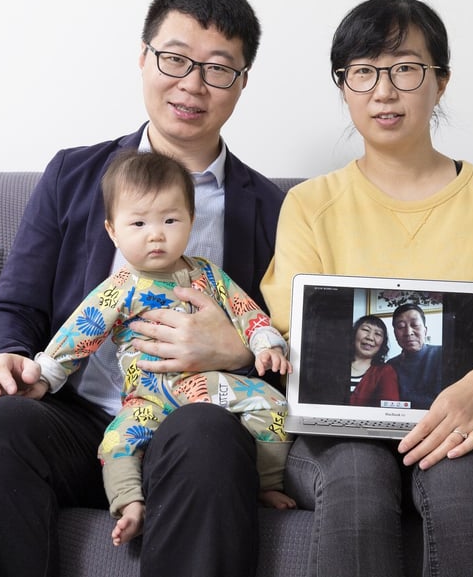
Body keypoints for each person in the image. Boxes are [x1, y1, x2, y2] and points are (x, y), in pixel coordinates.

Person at [0, 0, 285, 577]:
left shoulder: (273, 208)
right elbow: (16, 304)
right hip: (75, 417)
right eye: (175, 58)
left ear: (242, 82)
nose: (192, 84)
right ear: (144, 57)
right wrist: (5, 359)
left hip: (197, 418)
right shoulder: (73, 175)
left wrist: (238, 352)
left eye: (217, 69)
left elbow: (293, 340)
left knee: (207, 435)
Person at [260, 0, 473, 576]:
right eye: (363, 72)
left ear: (441, 82)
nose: (384, 91)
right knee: (358, 472)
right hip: (339, 437)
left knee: (462, 476)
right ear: (344, 86)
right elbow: (293, 335)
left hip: (470, 428)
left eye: (405, 69)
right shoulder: (308, 205)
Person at [33, 149, 294, 546]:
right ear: (112, 231)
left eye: (170, 220)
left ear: (191, 219)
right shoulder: (120, 288)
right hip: (148, 398)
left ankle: (266, 483)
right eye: (138, 223)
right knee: (116, 441)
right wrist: (47, 373)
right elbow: (78, 335)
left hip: (207, 389)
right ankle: (128, 503)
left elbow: (246, 311)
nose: (155, 234)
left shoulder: (208, 274)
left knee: (273, 405)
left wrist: (264, 343)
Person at [387, 303, 442, 408]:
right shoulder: (390, 366)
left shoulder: (442, 354)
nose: (408, 332)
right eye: (401, 327)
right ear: (395, 334)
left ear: (425, 330)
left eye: (415, 324)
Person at [348, 314, 399, 407]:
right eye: (365, 330)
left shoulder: (385, 372)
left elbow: (389, 410)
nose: (370, 337)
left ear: (382, 343)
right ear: (354, 333)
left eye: (378, 334)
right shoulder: (334, 364)